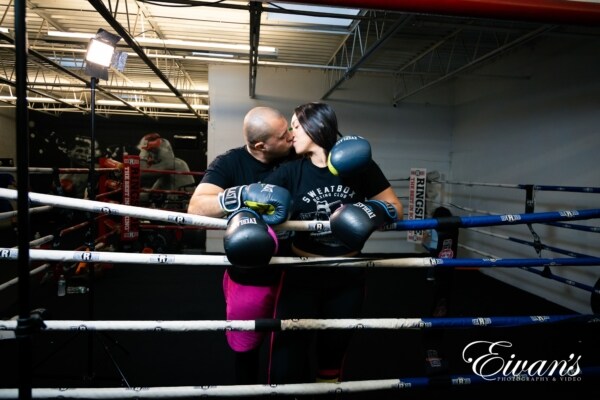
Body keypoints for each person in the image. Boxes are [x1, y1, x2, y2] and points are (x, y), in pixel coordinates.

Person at [262, 102, 403, 384]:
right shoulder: (291, 172)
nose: (291, 134)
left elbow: (395, 208)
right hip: (301, 276)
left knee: (332, 357)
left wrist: (368, 212)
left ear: (316, 128)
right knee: (287, 360)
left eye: (296, 126)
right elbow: (259, 203)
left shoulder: (358, 166)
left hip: (346, 277)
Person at [187, 106, 294, 385]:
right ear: (261, 145)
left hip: (296, 272)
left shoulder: (297, 154)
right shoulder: (230, 163)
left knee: (291, 346)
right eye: (283, 136)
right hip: (250, 276)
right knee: (246, 348)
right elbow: (196, 207)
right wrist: (242, 194)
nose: (292, 137)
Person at [421, 206, 459, 375]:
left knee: (433, 295)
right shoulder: (454, 229)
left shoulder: (434, 229)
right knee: (444, 296)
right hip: (449, 269)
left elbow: (427, 245)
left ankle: (432, 326)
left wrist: (425, 235)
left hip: (434, 270)